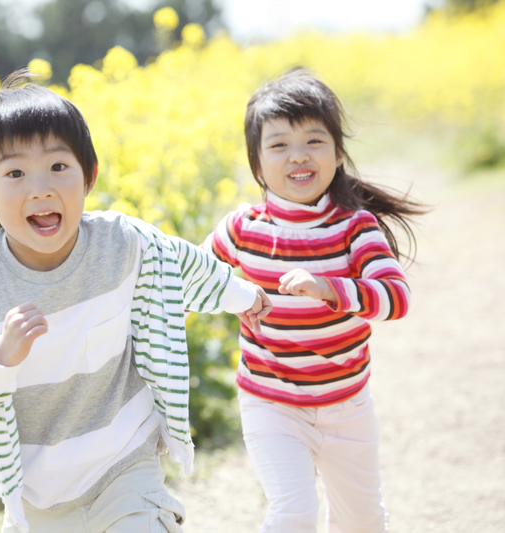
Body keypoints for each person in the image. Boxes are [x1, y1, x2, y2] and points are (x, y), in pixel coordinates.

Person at [0, 70, 272, 533]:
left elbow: (185, 265)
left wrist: (245, 297)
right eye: (14, 173)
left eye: (58, 166)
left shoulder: (122, 244)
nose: (41, 188)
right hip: (37, 499)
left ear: (89, 176)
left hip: (125, 468)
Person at [203, 68, 427, 532]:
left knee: (362, 521)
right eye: (279, 145)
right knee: (293, 513)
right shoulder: (242, 227)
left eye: (314, 141)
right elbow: (191, 279)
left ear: (338, 153)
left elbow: (396, 298)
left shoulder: (354, 227)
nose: (298, 156)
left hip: (346, 405)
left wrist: (331, 289)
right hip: (271, 403)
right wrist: (234, 294)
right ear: (257, 162)